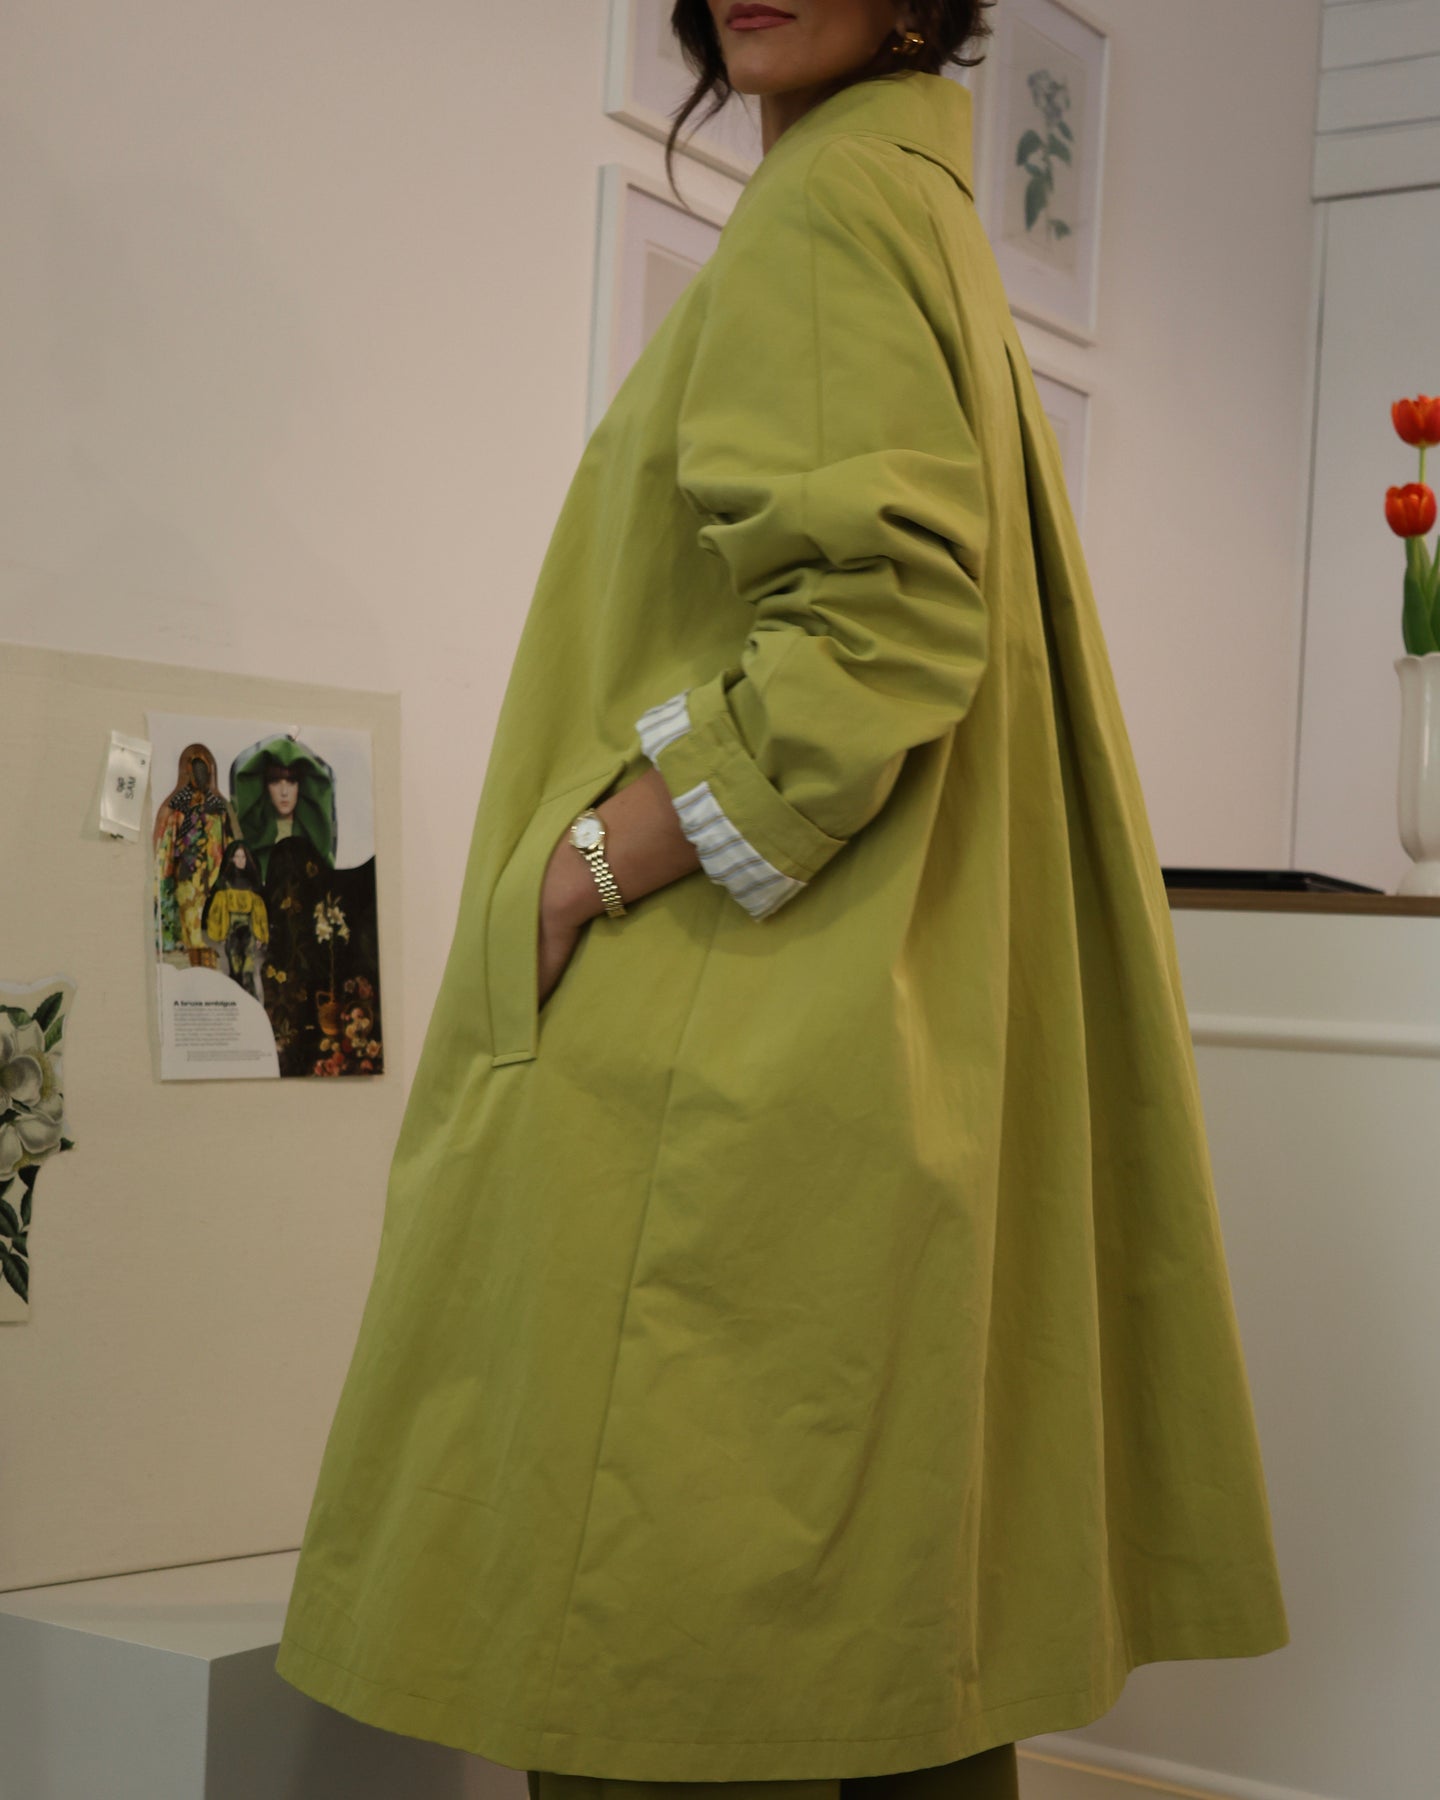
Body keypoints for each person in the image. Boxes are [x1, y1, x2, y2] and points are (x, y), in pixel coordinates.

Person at [276, 4, 1290, 1797]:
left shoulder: (828, 205)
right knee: (881, 1682)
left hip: (735, 1072)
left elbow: (882, 627)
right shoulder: (920, 208)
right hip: (849, 1061)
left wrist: (593, 863)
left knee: (660, 1677)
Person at [229, 734, 338, 1074]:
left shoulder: (315, 837)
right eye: (276, 781)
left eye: (292, 781)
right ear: (265, 787)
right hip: (267, 940)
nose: (285, 791)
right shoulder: (250, 840)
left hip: (307, 940)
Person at [152, 743, 238, 968]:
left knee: (204, 902)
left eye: (203, 770)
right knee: (188, 901)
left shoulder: (217, 804)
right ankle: (190, 940)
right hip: (187, 862)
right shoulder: (179, 801)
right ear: (188, 771)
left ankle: (198, 941)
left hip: (212, 864)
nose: (200, 775)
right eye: (196, 769)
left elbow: (228, 836)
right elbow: (168, 835)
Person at [202, 842, 270, 1003]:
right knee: (235, 969)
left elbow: (259, 914)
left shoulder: (253, 885)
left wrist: (260, 935)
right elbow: (218, 912)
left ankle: (251, 1004)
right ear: (231, 859)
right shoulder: (225, 885)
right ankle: (236, 1004)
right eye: (237, 857)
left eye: (243, 857)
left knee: (248, 969)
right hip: (231, 933)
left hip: (249, 932)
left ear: (248, 859)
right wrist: (222, 933)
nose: (240, 860)